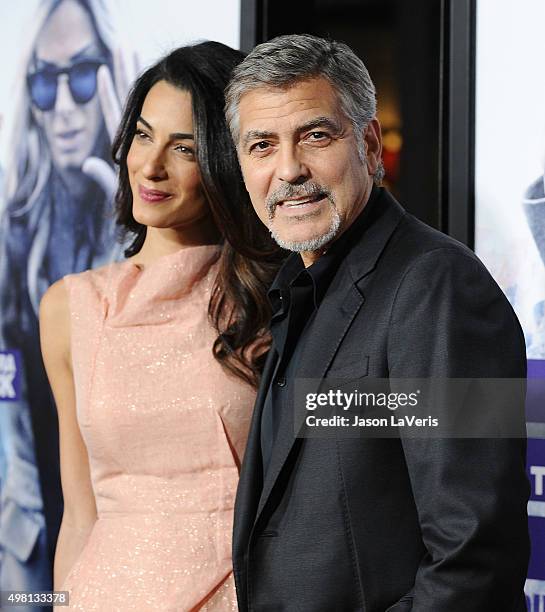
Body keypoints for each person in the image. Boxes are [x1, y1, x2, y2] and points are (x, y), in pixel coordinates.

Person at [225, 34, 530, 611]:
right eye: (262, 145)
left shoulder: (440, 286)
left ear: (368, 144)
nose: (289, 169)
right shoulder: (297, 288)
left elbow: (475, 553)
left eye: (315, 135)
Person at [39, 41, 281, 610]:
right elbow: (79, 514)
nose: (150, 166)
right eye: (143, 136)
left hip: (238, 593)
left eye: (185, 149)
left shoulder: (269, 298)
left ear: (224, 162)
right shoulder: (69, 309)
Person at [0, 0, 133, 599]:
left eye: (82, 75)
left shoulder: (153, 230)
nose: (63, 107)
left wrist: (127, 224)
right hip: (38, 534)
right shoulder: (14, 231)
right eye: (43, 82)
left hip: (127, 534)